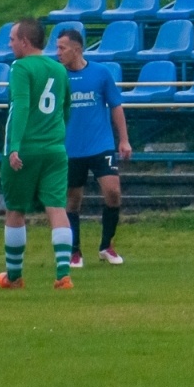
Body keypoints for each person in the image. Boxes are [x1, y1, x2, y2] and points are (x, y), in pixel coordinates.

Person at [0, 18, 74, 290]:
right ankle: (63, 274)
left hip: (25, 149)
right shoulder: (59, 68)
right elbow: (66, 108)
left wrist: (15, 145)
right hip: (55, 149)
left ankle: (14, 277)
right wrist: (57, 137)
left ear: (25, 42)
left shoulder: (20, 67)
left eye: (12, 39)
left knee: (15, 209)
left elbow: (20, 105)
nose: (10, 44)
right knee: (56, 207)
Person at [57, 28, 131, 267]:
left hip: (101, 145)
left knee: (113, 192)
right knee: (72, 200)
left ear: (77, 49)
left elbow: (116, 106)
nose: (58, 53)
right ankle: (74, 251)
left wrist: (124, 139)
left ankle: (106, 246)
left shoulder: (100, 73)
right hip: (70, 148)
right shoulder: (58, 77)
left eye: (62, 48)